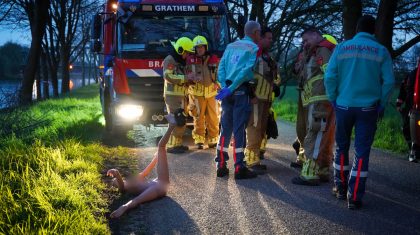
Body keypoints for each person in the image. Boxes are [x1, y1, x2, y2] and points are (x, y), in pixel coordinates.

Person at [325, 15, 395, 209]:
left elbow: (330, 77)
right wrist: (381, 104)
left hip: (344, 106)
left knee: (341, 147)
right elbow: (389, 82)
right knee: (362, 151)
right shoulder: (381, 51)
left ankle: (340, 188)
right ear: (373, 31)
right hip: (368, 109)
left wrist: (333, 98)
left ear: (356, 29)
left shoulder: (341, 48)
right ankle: (354, 196)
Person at [106, 113, 181, 218]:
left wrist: (156, 159)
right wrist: (124, 206)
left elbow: (147, 171)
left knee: (161, 147)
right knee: (161, 146)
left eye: (117, 181)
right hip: (157, 189)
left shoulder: (133, 180)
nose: (119, 181)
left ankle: (172, 125)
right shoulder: (126, 187)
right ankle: (171, 126)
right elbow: (131, 196)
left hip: (160, 182)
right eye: (116, 183)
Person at [214, 21, 261, 180]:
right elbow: (246, 71)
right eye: (259, 33)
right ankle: (240, 167)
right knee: (239, 129)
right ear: (254, 33)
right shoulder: (253, 48)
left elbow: (221, 68)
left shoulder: (230, 46)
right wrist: (233, 87)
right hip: (240, 92)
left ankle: (220, 164)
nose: (259, 36)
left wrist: (224, 87)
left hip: (227, 92)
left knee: (225, 128)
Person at [291, 27, 336, 186]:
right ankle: (322, 170)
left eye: (306, 40)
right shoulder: (314, 52)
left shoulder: (322, 50)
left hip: (320, 100)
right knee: (323, 135)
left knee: (315, 134)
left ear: (317, 36)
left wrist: (331, 97)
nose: (304, 44)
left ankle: (309, 173)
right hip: (317, 100)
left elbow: (329, 74)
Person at [244, 27, 278, 172]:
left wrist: (275, 85)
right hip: (256, 98)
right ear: (260, 38)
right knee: (254, 127)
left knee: (261, 128)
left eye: (271, 38)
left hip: (265, 99)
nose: (271, 41)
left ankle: (255, 157)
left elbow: (274, 74)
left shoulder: (266, 56)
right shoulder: (253, 53)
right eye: (268, 38)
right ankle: (251, 160)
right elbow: (246, 74)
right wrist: (251, 95)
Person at [186, 35, 220, 149]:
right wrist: (191, 78)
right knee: (198, 118)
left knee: (213, 117)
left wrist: (218, 84)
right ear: (195, 49)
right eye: (198, 47)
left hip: (212, 94)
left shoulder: (213, 59)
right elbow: (185, 75)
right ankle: (199, 139)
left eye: (202, 47)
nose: (200, 49)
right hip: (197, 94)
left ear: (206, 47)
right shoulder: (190, 60)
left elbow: (220, 74)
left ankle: (213, 139)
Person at [163, 37, 195, 154]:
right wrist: (186, 78)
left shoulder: (180, 62)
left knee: (181, 120)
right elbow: (168, 76)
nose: (187, 56)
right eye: (187, 53)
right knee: (175, 120)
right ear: (181, 50)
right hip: (173, 96)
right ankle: (171, 145)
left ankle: (178, 144)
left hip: (181, 96)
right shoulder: (170, 60)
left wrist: (190, 80)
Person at [396, 60, 420, 162]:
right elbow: (403, 89)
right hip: (411, 108)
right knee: (407, 129)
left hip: (414, 109)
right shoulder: (412, 74)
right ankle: (412, 150)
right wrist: (399, 103)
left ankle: (414, 151)